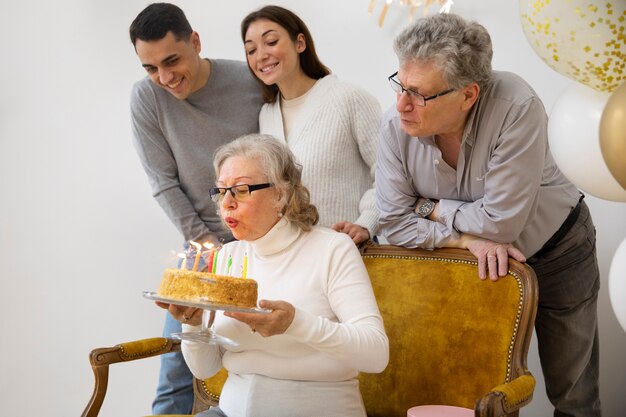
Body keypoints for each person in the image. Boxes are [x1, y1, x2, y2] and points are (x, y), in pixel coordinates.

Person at [376, 13, 600, 417]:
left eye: (419, 94)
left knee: (573, 392)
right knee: (471, 390)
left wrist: (431, 208)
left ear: (468, 95)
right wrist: (463, 238)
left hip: (557, 251)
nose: (401, 105)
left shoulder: (517, 107)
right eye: (400, 85)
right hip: (464, 262)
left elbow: (501, 225)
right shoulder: (394, 125)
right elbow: (390, 221)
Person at [161, 133, 389, 417]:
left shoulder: (331, 248)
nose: (226, 203)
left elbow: (376, 354)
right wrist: (193, 326)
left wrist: (295, 323)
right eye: (221, 191)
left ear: (281, 193)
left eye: (241, 190)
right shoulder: (228, 257)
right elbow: (205, 368)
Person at [128, 3, 264, 414]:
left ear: (196, 42)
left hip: (260, 246)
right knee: (175, 372)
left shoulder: (251, 81)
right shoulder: (147, 97)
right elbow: (163, 182)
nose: (165, 78)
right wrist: (207, 246)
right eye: (151, 68)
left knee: (258, 361)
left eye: (172, 61)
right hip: (201, 248)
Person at [240, 5, 381, 245]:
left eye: (271, 42)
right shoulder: (266, 115)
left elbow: (390, 174)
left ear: (300, 43)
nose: (260, 55)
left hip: (348, 251)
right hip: (289, 257)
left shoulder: (349, 98)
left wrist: (367, 222)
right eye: (251, 50)